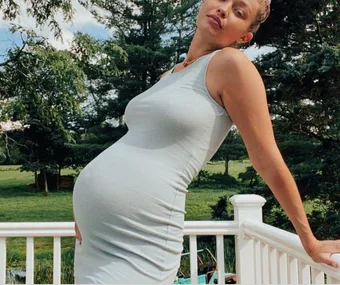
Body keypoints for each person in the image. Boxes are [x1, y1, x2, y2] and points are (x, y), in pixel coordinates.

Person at [73, 0, 340, 283]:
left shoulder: (231, 64)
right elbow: (139, 143)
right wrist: (89, 206)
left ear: (244, 36)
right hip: (96, 240)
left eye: (239, 11)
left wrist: (309, 240)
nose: (224, 9)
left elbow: (267, 159)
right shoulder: (171, 74)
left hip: (141, 236)